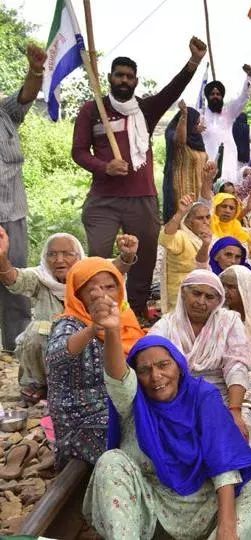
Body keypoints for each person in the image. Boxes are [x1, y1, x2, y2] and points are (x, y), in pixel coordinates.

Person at [83, 328, 251, 539]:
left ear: (180, 367)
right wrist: (111, 330)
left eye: (164, 365)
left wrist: (227, 527)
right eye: (144, 370)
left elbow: (223, 461)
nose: (156, 376)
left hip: (206, 505)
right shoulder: (134, 404)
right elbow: (117, 380)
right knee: (110, 461)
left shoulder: (203, 396)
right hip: (151, 508)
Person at [72, 38, 208, 320]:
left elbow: (172, 91)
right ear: (110, 78)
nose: (124, 80)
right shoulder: (91, 110)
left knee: (144, 257)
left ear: (136, 81)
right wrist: (104, 166)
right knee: (98, 255)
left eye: (129, 76)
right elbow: (79, 152)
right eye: (119, 75)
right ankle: (96, 310)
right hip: (103, 199)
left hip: (142, 197)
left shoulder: (145, 110)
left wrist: (194, 61)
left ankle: (134, 311)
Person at [0, 228, 136, 403]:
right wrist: (2, 258)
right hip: (58, 351)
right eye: (52, 254)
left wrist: (127, 256)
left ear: (79, 256)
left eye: (67, 254)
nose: (59, 260)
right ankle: (44, 383)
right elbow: (13, 279)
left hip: (94, 348)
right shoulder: (41, 277)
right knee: (35, 331)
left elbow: (114, 268)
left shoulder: (91, 273)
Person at [45, 258, 145, 469]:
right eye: (93, 289)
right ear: (77, 293)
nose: (103, 294)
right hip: (82, 422)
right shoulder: (69, 323)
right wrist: (93, 328)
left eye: (110, 286)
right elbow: (55, 355)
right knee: (133, 447)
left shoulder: (124, 317)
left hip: (119, 406)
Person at [148, 270, 251, 442]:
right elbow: (150, 358)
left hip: (222, 396)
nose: (201, 302)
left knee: (233, 435)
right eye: (196, 293)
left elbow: (236, 366)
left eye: (209, 297)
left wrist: (234, 411)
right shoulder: (166, 326)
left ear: (218, 301)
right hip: (176, 397)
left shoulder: (229, 321)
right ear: (184, 293)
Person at [0, 43, 46, 353]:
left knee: (14, 278)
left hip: (11, 213)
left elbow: (25, 96)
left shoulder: (5, 113)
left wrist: (36, 69)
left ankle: (15, 343)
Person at [158, 194, 212, 313]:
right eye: (200, 218)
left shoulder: (209, 237)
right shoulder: (182, 236)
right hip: (181, 297)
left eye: (208, 217)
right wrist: (180, 213)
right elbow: (166, 238)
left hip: (205, 292)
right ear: (188, 221)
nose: (206, 222)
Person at [202, 66, 251, 182]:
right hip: (207, 164)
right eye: (212, 94)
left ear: (222, 96)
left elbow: (243, 98)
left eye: (218, 94)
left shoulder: (228, 113)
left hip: (227, 164)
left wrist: (249, 77)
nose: (215, 96)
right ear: (208, 97)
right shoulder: (201, 116)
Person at [161, 100, 209, 222]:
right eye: (195, 123)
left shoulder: (197, 139)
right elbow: (180, 141)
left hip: (198, 191)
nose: (198, 126)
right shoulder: (174, 134)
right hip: (181, 191)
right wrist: (184, 116)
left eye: (198, 123)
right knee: (180, 226)